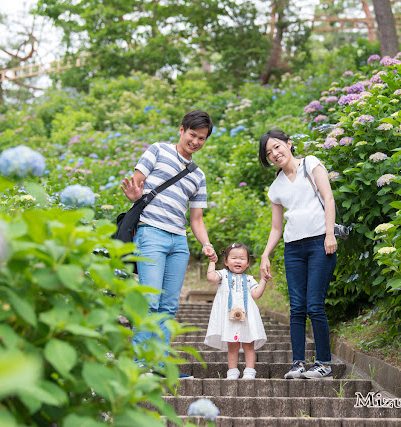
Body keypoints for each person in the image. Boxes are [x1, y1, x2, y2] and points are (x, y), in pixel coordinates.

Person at [121, 110, 218, 375]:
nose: (196, 142)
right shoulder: (157, 150)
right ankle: (142, 362)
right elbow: (137, 185)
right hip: (151, 231)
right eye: (192, 134)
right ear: (181, 130)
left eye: (202, 138)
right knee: (150, 302)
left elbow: (196, 219)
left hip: (179, 241)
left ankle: (160, 362)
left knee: (168, 306)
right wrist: (133, 194)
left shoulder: (198, 175)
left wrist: (206, 244)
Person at [258, 129, 338, 379]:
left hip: (319, 244)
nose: (275, 154)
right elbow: (276, 227)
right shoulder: (276, 187)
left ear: (289, 144)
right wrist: (265, 254)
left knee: (315, 305)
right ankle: (298, 364)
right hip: (293, 249)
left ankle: (324, 363)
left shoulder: (311, 163)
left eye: (277, 147)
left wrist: (329, 234)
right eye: (269, 153)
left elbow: (328, 197)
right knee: (297, 308)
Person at [204, 242, 268, 379]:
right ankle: (232, 371)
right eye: (234, 258)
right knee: (232, 345)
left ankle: (250, 370)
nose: (238, 261)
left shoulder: (250, 279)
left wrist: (263, 280)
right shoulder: (223, 275)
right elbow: (211, 277)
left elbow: (256, 294)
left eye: (242, 258)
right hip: (229, 318)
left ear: (248, 263)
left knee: (248, 343)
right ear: (226, 261)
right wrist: (212, 262)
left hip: (247, 317)